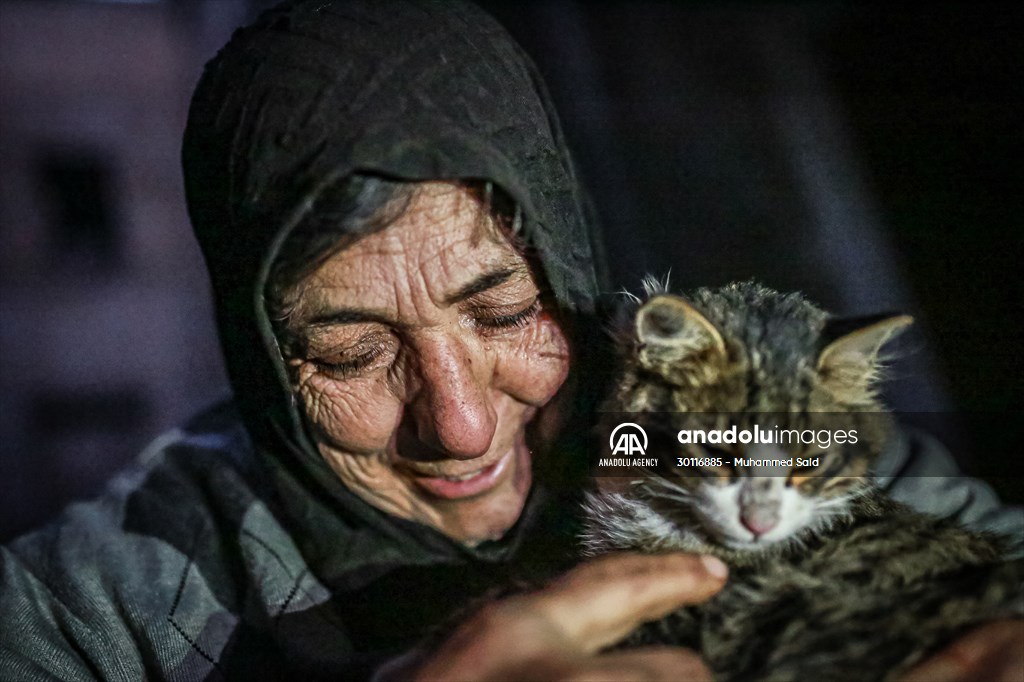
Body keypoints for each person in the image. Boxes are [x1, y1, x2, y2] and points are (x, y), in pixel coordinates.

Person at [1, 1, 1020, 680]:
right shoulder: (85, 615)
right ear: (260, 356)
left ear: (572, 271)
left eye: (502, 315)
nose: (459, 421)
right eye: (351, 353)